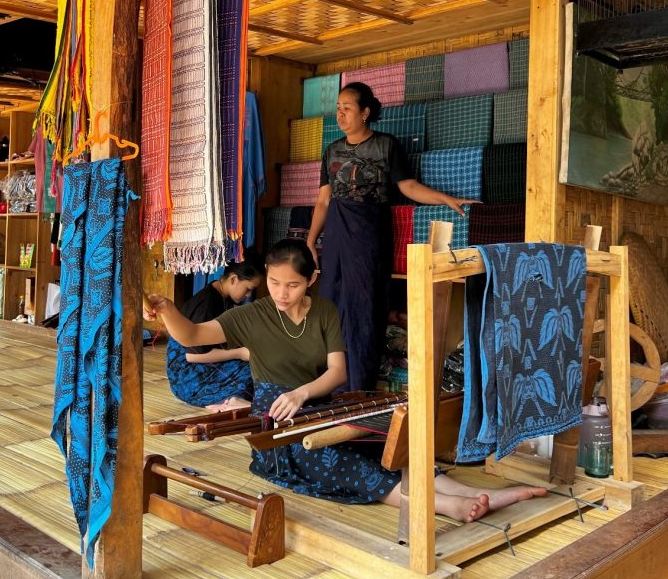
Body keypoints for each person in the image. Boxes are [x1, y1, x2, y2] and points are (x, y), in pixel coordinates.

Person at [145, 238, 545, 520]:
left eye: (292, 285)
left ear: (311, 279)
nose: (281, 293)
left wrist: (302, 393)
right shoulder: (252, 316)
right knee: (334, 459)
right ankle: (446, 506)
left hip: (319, 406)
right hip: (277, 424)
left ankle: (475, 493)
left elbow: (336, 371)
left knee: (381, 447)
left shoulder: (324, 312)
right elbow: (192, 336)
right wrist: (166, 308)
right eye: (274, 283)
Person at [307, 81, 475, 393]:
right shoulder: (331, 150)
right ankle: (328, 386)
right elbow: (323, 201)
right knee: (331, 304)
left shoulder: (386, 145)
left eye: (347, 108)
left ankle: (357, 388)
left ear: (365, 112)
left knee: (365, 306)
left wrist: (447, 199)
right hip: (336, 236)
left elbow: (408, 187)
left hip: (369, 233)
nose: (340, 115)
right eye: (338, 109)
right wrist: (310, 240)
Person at [159, 254, 264, 410]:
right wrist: (239, 353)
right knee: (250, 370)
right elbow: (193, 356)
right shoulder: (207, 303)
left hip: (199, 366)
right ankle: (229, 399)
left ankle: (227, 399)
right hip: (186, 377)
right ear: (233, 279)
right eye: (248, 289)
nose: (248, 295)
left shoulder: (221, 296)